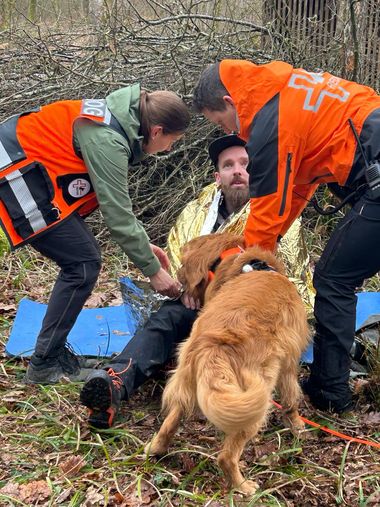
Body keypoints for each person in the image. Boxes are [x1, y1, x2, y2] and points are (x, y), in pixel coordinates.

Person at [79, 134, 314, 429]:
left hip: (248, 317)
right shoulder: (195, 211)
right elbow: (179, 256)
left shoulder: (280, 216)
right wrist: (189, 287)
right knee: (163, 321)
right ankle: (114, 383)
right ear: (218, 176)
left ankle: (233, 401)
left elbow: (288, 280)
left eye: (245, 163)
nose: (237, 170)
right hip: (200, 306)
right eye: (228, 165)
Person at [192, 59, 380, 414]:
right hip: (373, 160)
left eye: (221, 122)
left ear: (231, 103)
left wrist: (241, 270)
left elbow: (265, 209)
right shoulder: (283, 91)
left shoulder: (268, 121)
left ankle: (330, 392)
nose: (226, 130)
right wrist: (264, 249)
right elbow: (293, 190)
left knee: (333, 279)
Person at [0, 84, 190, 384]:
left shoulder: (117, 119)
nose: (169, 149)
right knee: (83, 263)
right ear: (156, 131)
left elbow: (117, 206)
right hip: (15, 169)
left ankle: (52, 353)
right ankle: (45, 363)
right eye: (172, 141)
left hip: (25, 164)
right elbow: (117, 214)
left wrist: (143, 244)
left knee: (84, 259)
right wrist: (153, 272)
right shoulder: (108, 140)